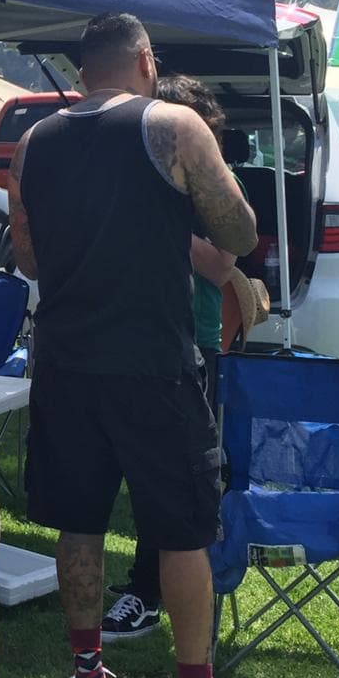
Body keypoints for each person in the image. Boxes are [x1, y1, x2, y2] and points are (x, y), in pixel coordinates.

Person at [8, 13, 263, 678]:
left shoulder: (32, 143)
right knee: (183, 530)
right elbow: (240, 234)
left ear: (85, 70)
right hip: (152, 362)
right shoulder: (175, 127)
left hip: (65, 359)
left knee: (79, 523)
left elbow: (26, 259)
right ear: (146, 61)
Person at [101, 75, 240, 643]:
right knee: (143, 469)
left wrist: (164, 222)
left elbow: (221, 266)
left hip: (191, 342)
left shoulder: (217, 188)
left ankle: (146, 593)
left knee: (172, 478)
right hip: (136, 337)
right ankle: (146, 580)